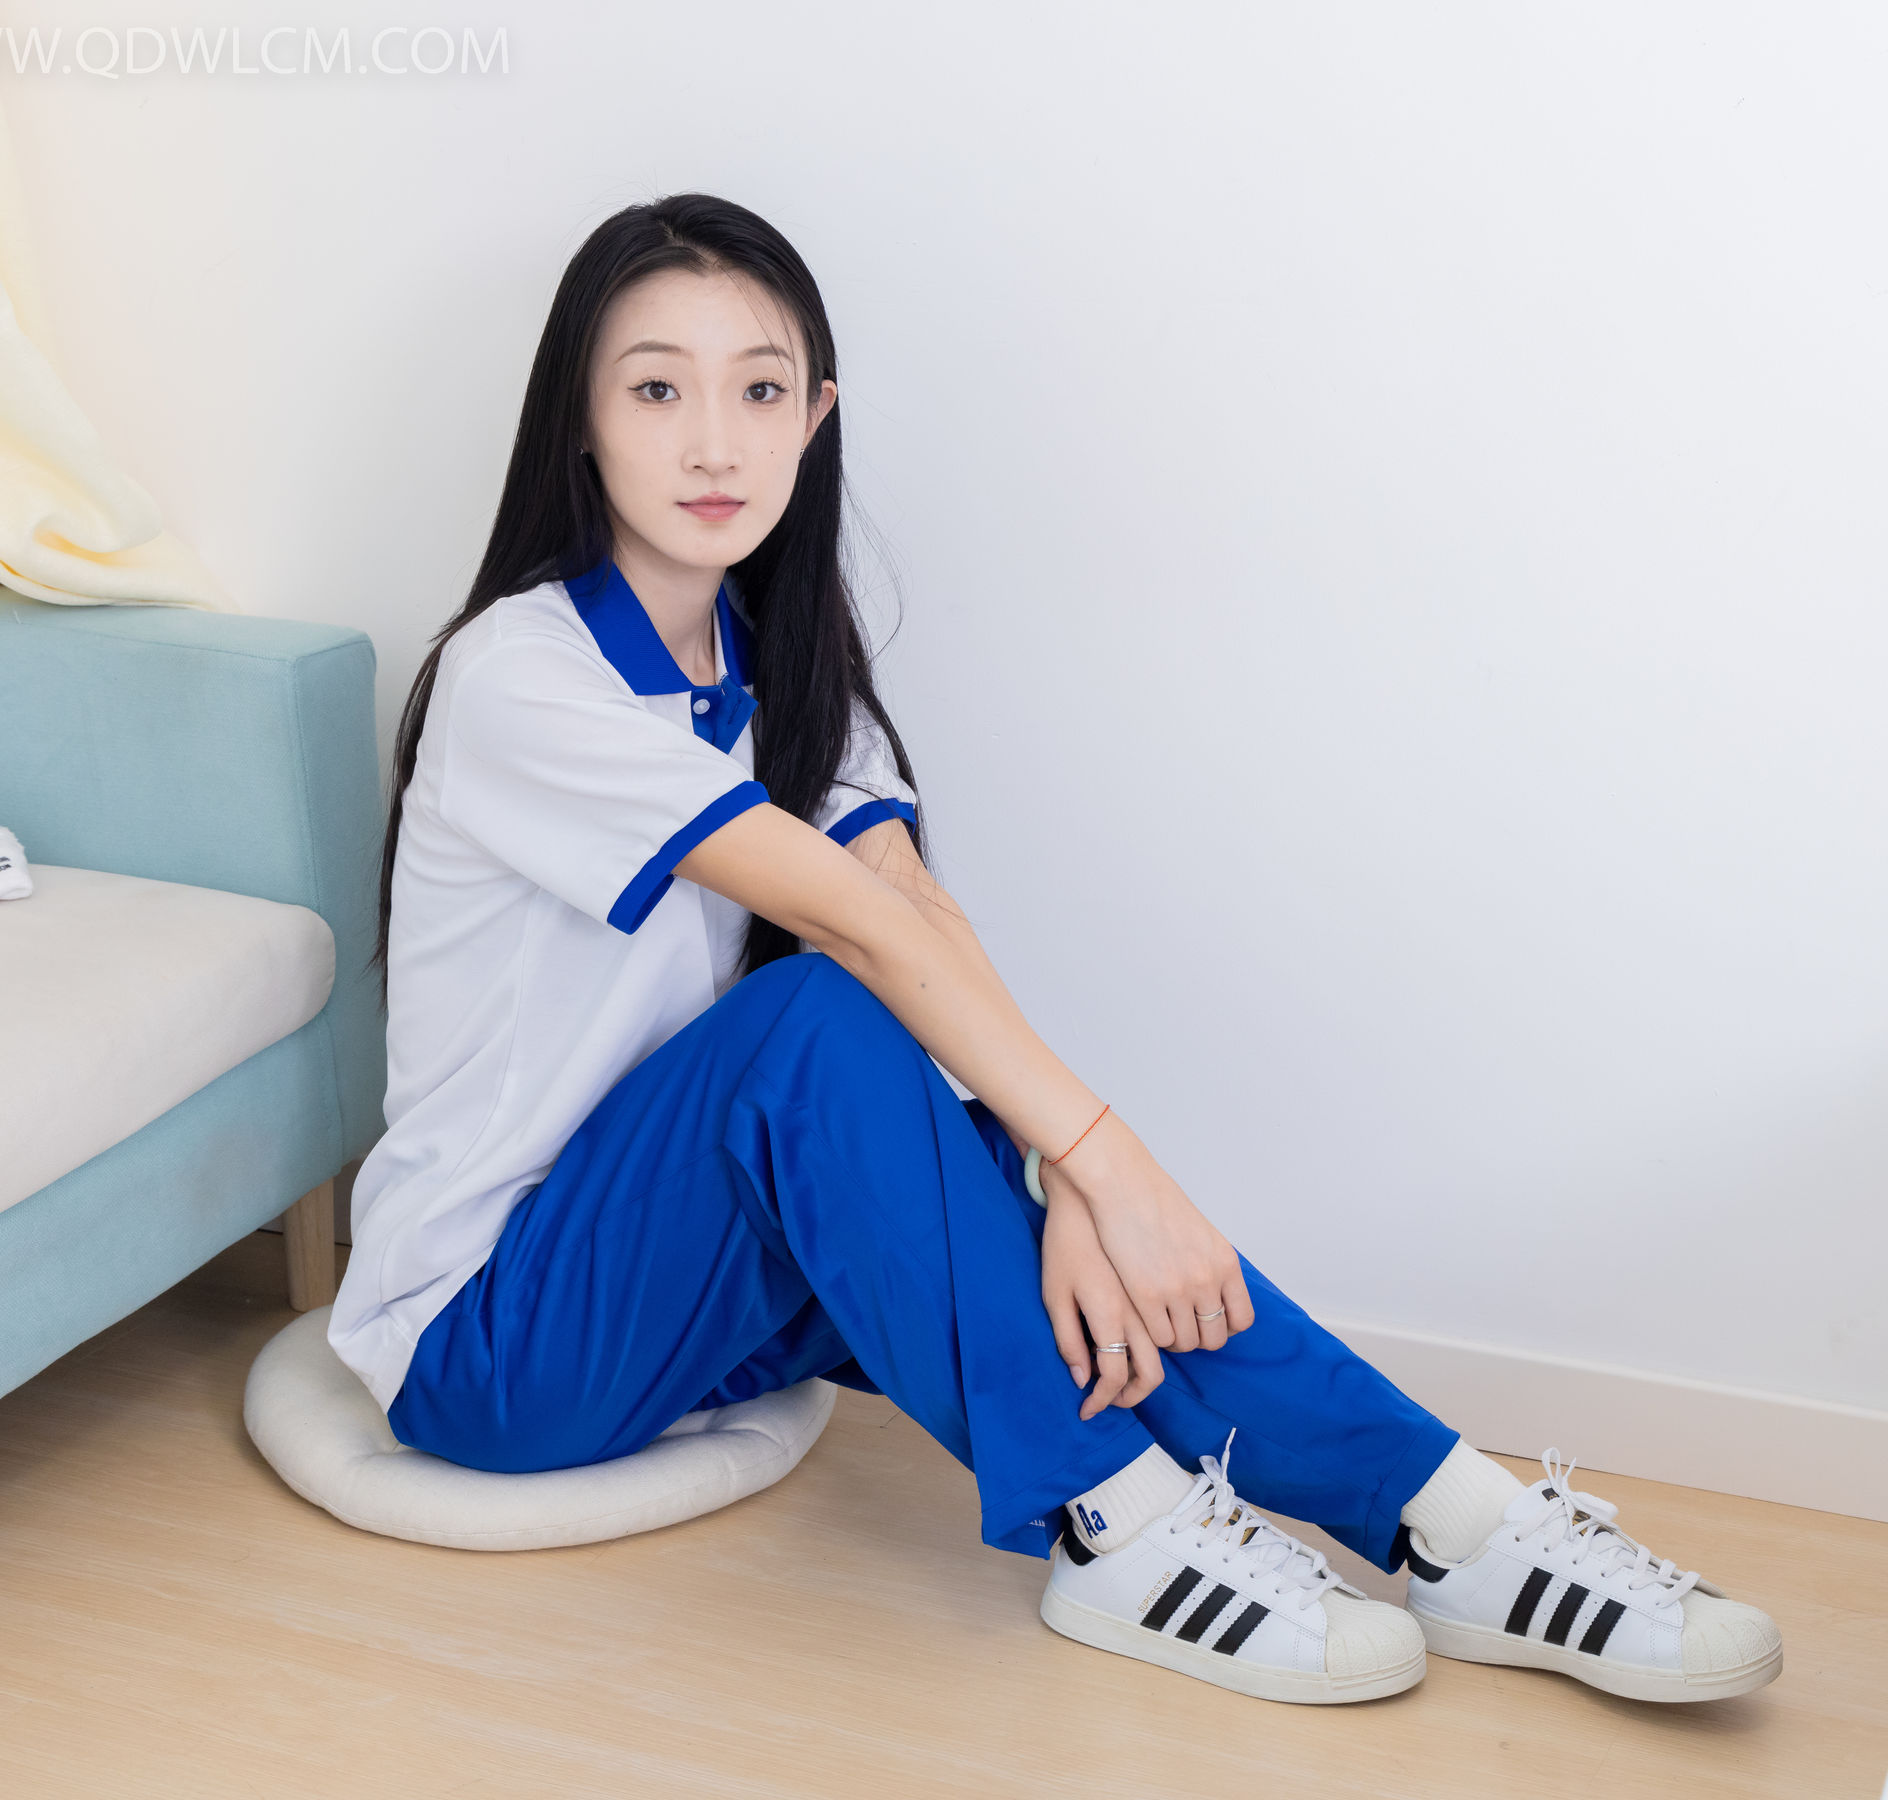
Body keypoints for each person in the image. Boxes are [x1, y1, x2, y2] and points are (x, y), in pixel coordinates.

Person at [328, 193, 1782, 1707]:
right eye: (654, 390)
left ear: (816, 417)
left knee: (997, 1160)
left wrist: (1063, 1175)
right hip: (490, 1342)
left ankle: (1457, 1525)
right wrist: (1109, 1157)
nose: (713, 445)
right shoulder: (522, 678)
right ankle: (1117, 1526)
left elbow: (919, 913)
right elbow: (850, 928)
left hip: (688, 1290)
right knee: (816, 1023)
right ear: (579, 418)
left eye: (758, 392)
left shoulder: (777, 664)